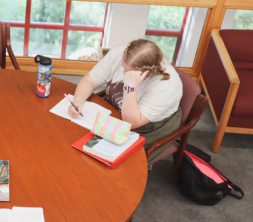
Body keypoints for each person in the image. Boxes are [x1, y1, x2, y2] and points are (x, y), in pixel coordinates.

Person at [68, 39, 183, 169]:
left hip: (148, 125)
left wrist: (130, 86)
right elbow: (89, 81)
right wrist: (77, 101)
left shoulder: (166, 85)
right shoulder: (119, 54)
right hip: (117, 107)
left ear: (147, 72)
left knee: (115, 163)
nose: (123, 73)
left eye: (128, 72)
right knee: (76, 138)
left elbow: (132, 122)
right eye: (123, 67)